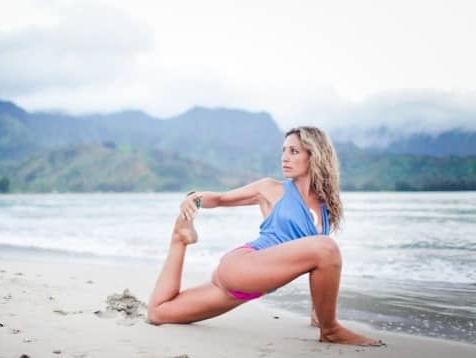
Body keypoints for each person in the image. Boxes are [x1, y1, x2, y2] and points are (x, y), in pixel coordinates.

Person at [147, 126, 383, 346]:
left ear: (314, 156)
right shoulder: (272, 189)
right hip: (244, 265)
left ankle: (179, 238)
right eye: (283, 151)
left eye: (294, 151)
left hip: (244, 288)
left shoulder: (324, 206)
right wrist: (195, 199)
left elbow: (317, 267)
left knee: (159, 313)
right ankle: (331, 330)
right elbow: (220, 199)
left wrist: (317, 312)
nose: (285, 157)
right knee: (326, 248)